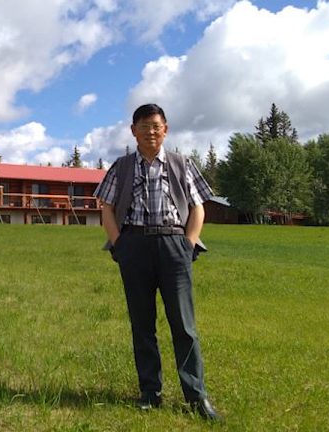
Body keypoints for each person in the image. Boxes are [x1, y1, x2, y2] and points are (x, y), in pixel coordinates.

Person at [93, 103, 222, 421]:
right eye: (143, 126)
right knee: (142, 325)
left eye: (155, 126)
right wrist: (120, 244)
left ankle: (196, 397)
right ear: (133, 131)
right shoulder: (122, 166)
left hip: (173, 245)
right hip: (134, 246)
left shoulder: (181, 163)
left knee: (184, 325)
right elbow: (105, 206)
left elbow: (198, 207)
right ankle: (150, 393)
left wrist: (188, 243)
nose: (150, 131)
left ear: (165, 129)